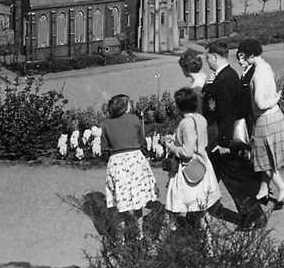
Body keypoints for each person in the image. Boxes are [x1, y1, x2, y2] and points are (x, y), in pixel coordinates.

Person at [202, 42, 267, 231]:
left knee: (235, 179)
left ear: (214, 56)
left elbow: (227, 114)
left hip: (225, 140)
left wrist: (223, 142)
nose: (207, 62)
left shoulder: (226, 80)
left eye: (208, 58)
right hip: (224, 138)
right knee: (214, 174)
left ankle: (254, 216)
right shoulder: (227, 76)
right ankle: (199, 210)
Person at [238, 39, 284, 209]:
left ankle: (282, 187)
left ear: (251, 55)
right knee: (268, 158)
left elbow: (260, 103)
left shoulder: (258, 73)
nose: (241, 59)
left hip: (265, 119)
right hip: (275, 117)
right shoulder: (265, 66)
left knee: (262, 160)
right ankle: (263, 190)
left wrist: (275, 99)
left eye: (243, 56)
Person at [99, 94, 158, 237]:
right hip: (135, 160)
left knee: (119, 204)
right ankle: (140, 234)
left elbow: (105, 147)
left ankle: (120, 239)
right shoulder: (134, 119)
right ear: (125, 108)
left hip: (117, 162)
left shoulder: (105, 124)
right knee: (137, 201)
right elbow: (141, 140)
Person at [163, 87, 222, 229]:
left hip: (188, 168)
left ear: (178, 106)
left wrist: (171, 146)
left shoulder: (185, 122)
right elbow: (198, 141)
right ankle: (207, 243)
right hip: (203, 164)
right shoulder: (201, 119)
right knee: (202, 208)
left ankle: (172, 237)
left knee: (175, 206)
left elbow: (187, 151)